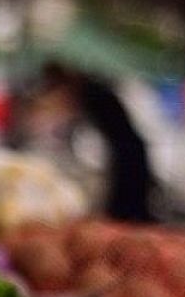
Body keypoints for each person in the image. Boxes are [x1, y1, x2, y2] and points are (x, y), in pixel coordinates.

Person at [17, 61, 157, 222]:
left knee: (127, 212)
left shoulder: (95, 96)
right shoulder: (92, 94)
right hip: (127, 161)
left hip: (129, 166)